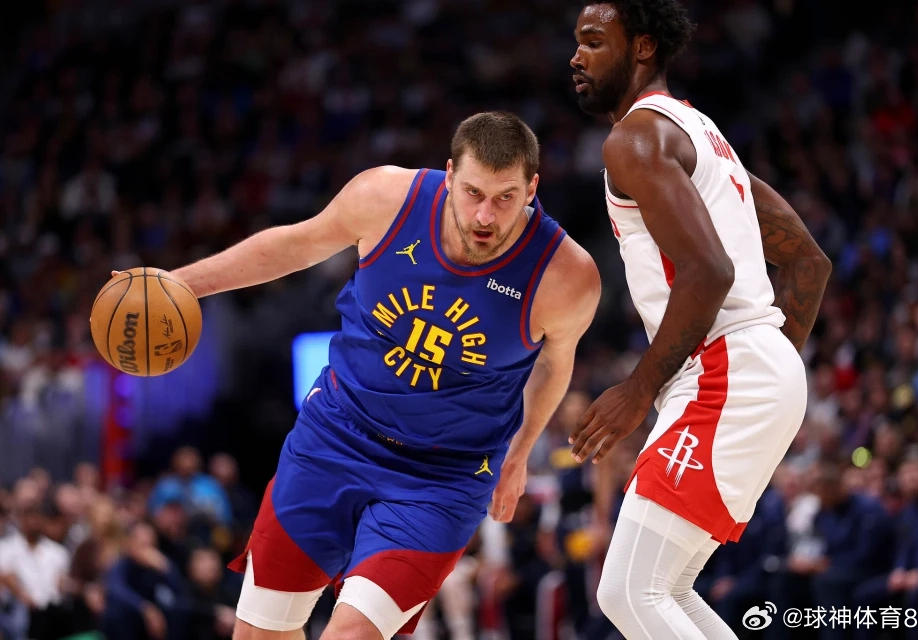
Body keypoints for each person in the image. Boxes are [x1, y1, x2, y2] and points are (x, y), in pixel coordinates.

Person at [159, 112, 601, 639]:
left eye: (505, 197)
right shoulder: (386, 199)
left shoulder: (565, 275)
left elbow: (553, 362)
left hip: (443, 477)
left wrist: (521, 452)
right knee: (258, 632)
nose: (485, 215)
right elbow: (294, 245)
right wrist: (180, 284)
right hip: (334, 436)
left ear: (532, 188)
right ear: (449, 175)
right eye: (473, 193)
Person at [567, 1, 832, 638]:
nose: (576, 57)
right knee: (666, 590)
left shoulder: (635, 138)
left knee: (629, 592)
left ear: (643, 47)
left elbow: (710, 271)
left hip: (727, 368)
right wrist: (767, 365)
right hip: (754, 365)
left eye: (594, 41)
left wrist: (639, 389)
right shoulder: (705, 136)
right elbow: (810, 263)